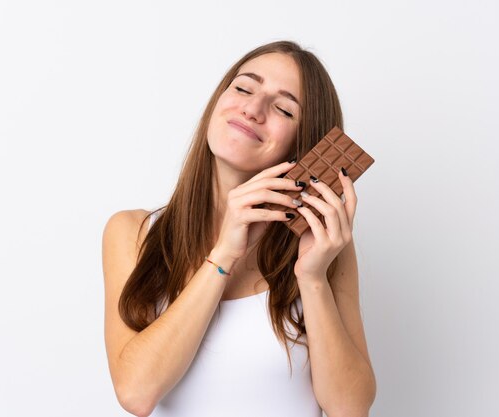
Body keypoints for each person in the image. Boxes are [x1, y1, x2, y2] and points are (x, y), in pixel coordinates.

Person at [102, 40, 376, 417]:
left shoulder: (325, 245)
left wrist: (312, 279)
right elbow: (136, 392)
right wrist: (223, 255)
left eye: (283, 108)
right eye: (244, 88)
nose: (252, 109)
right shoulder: (133, 231)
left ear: (303, 146)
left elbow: (350, 408)